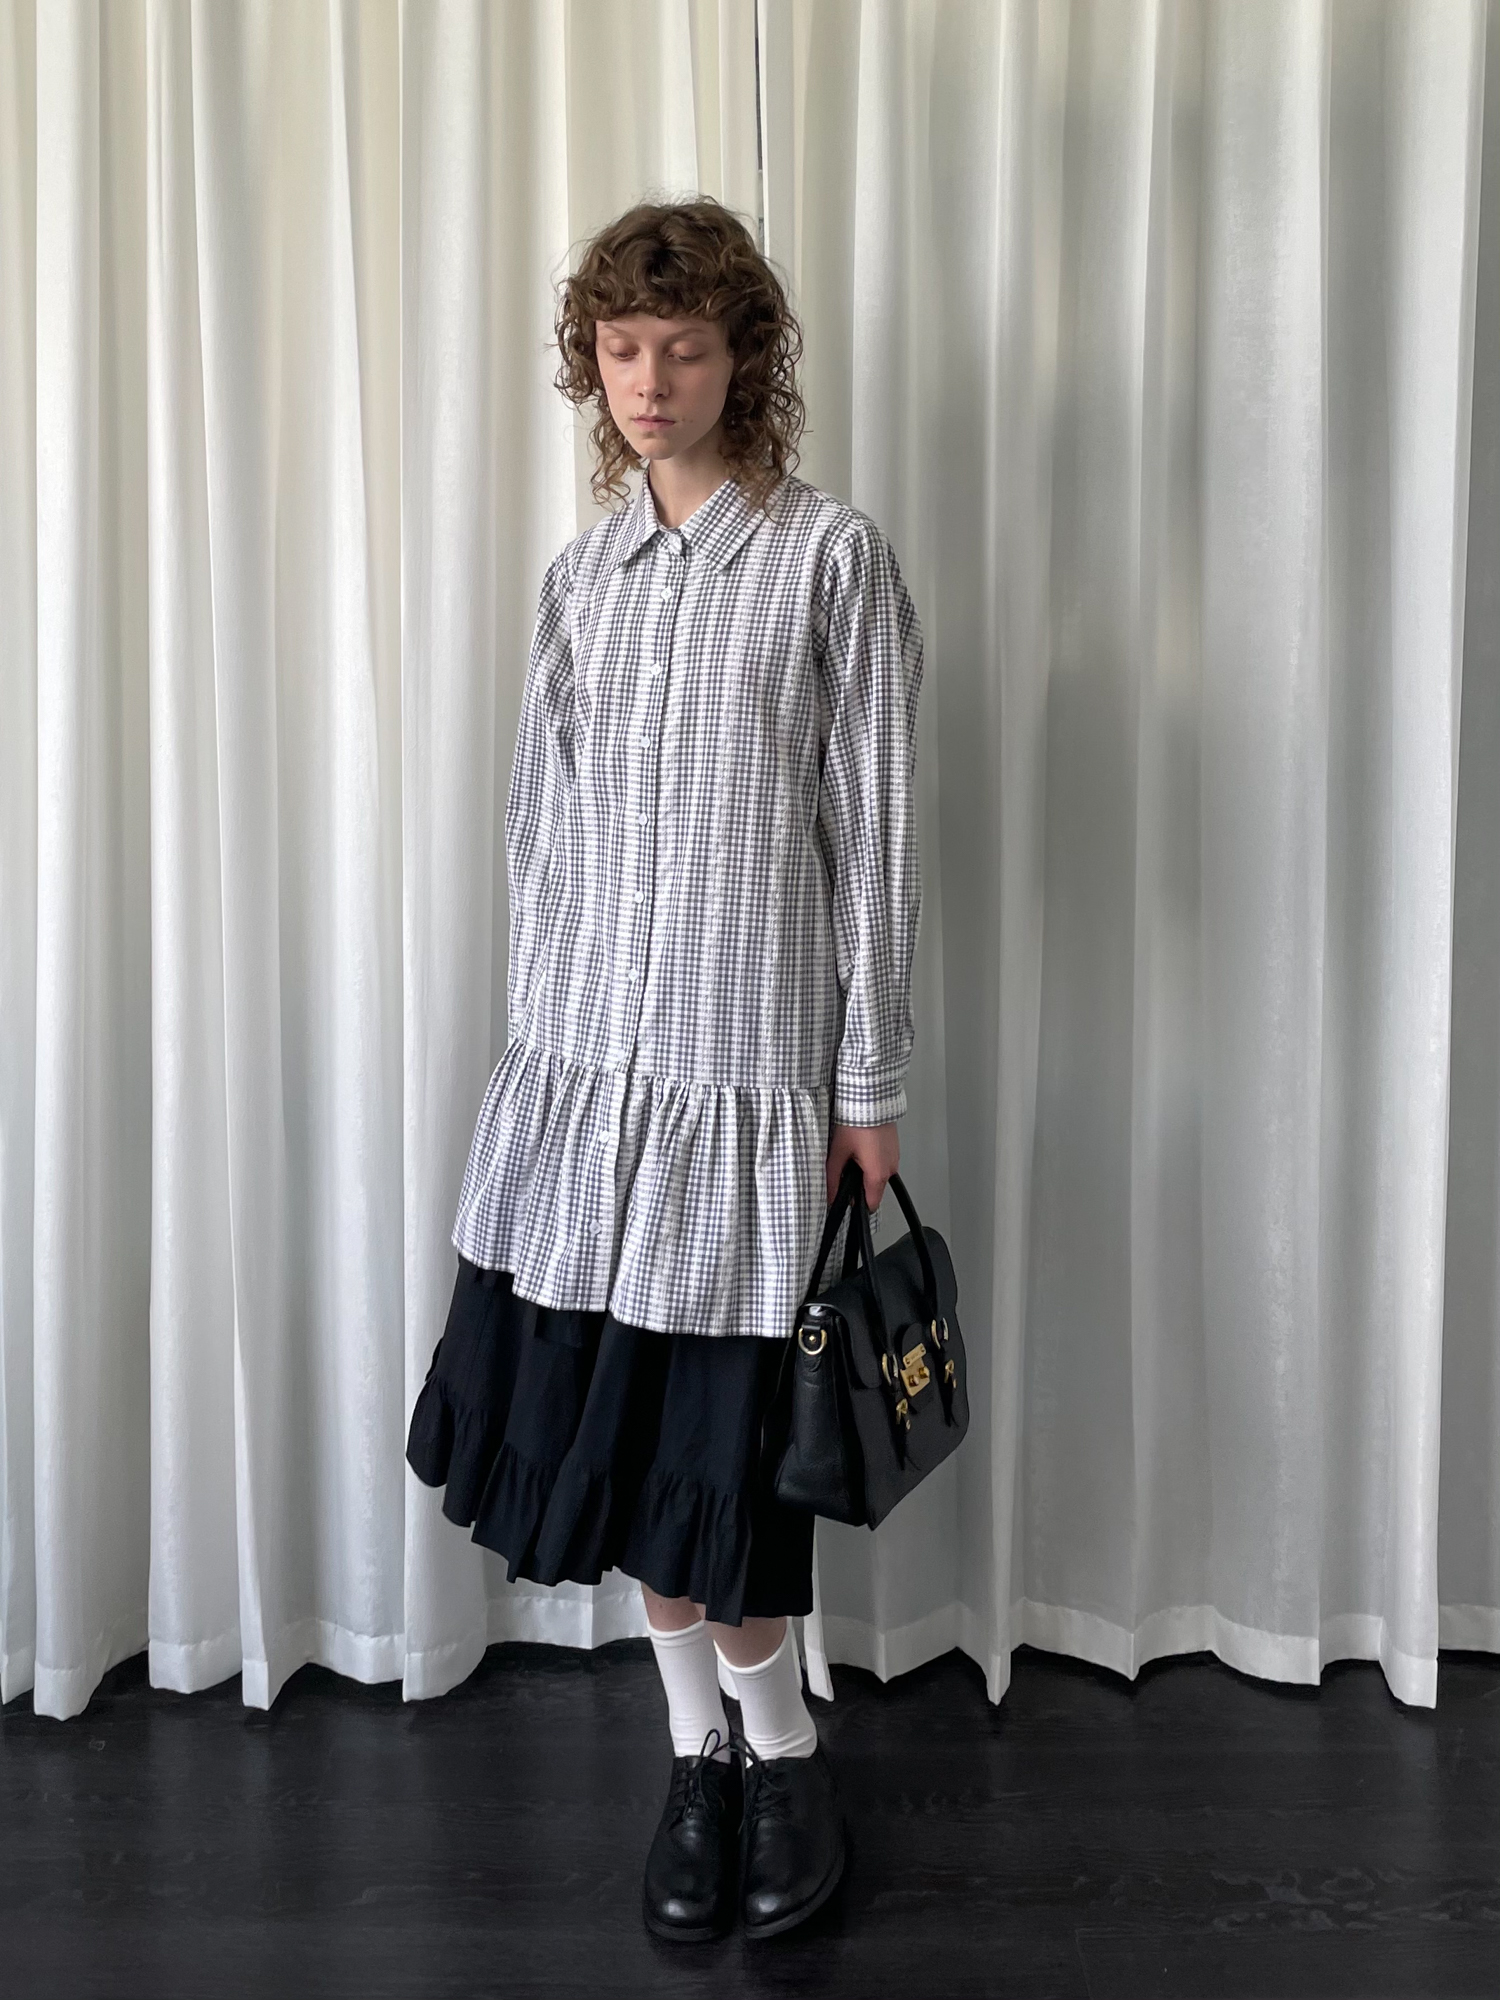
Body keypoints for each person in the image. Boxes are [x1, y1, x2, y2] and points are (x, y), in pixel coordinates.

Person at [406, 193, 924, 1944]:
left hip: (748, 1093)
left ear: (742, 358)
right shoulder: (583, 580)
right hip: (590, 1094)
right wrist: (539, 1070)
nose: (648, 381)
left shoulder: (830, 560)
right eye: (621, 351)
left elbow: (877, 840)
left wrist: (869, 1084)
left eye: (682, 349)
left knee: (725, 1477)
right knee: (629, 1468)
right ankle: (695, 1756)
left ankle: (784, 1757)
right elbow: (539, 839)